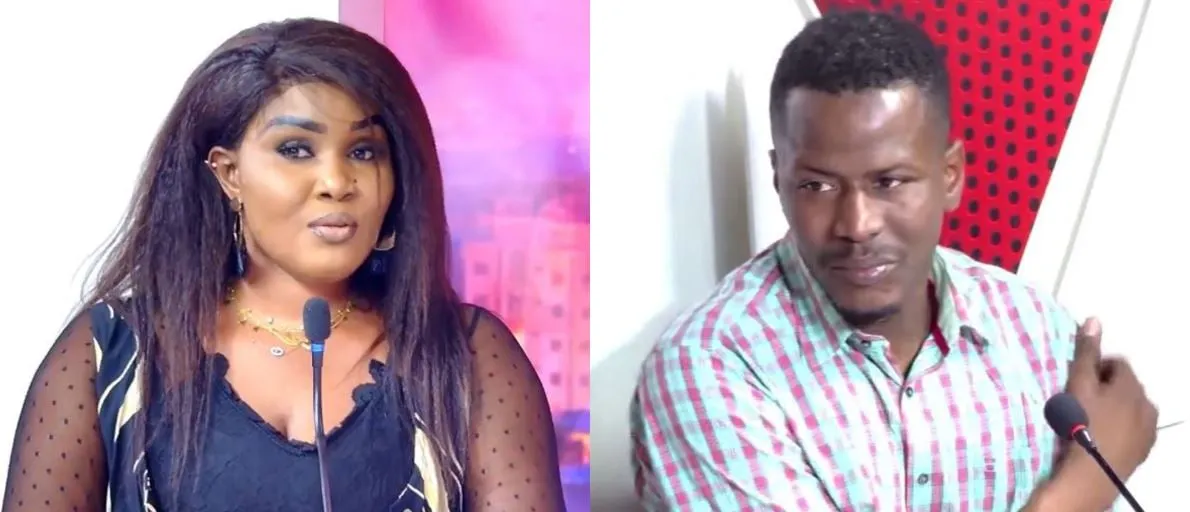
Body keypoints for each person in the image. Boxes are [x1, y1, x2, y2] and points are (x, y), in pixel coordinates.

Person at [2, 18, 564, 512]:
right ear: (229, 175)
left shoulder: (468, 355)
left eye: (364, 151)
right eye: (296, 149)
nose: (337, 182)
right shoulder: (111, 352)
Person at [630, 10, 1158, 511]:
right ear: (778, 179)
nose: (856, 224)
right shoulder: (708, 367)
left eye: (890, 181)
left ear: (950, 176)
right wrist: (1085, 486)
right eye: (816, 185)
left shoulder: (1036, 329)